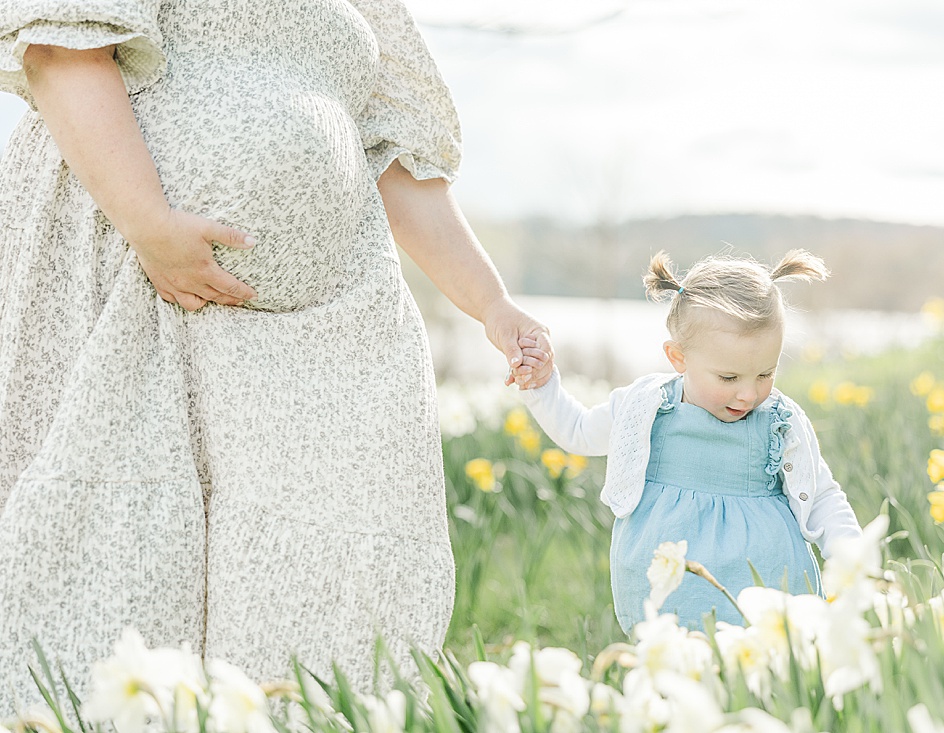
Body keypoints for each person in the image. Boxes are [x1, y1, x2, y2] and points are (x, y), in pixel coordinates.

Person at [0, 0, 552, 712]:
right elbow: (61, 47)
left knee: (320, 572)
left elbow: (395, 155)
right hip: (129, 269)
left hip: (326, 321)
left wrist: (491, 302)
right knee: (115, 558)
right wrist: (148, 222)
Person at [515, 249, 862, 632]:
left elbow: (823, 495)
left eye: (766, 373)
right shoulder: (645, 406)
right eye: (728, 378)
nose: (748, 394)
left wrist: (854, 560)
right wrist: (542, 384)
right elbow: (577, 431)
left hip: (769, 588)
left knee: (765, 677)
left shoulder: (780, 420)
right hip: (673, 592)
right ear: (677, 357)